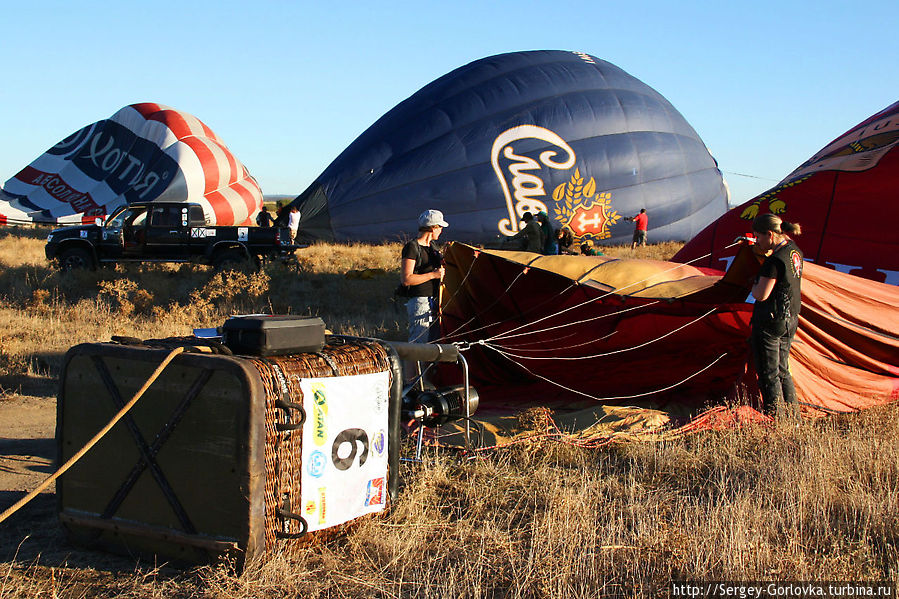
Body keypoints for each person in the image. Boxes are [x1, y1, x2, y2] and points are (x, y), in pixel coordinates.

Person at [749, 213, 803, 419]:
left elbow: (761, 294)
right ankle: (793, 418)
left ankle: (777, 419)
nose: (757, 242)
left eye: (759, 237)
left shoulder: (773, 262)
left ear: (770, 234)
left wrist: (753, 283)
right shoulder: (794, 252)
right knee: (782, 370)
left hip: (770, 321)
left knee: (768, 374)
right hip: (790, 319)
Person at [401, 209, 448, 343]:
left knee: (431, 345)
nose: (441, 231)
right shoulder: (412, 247)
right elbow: (406, 279)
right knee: (418, 345)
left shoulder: (433, 247)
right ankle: (410, 365)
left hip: (434, 301)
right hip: (420, 302)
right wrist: (433, 275)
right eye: (440, 227)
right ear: (433, 228)